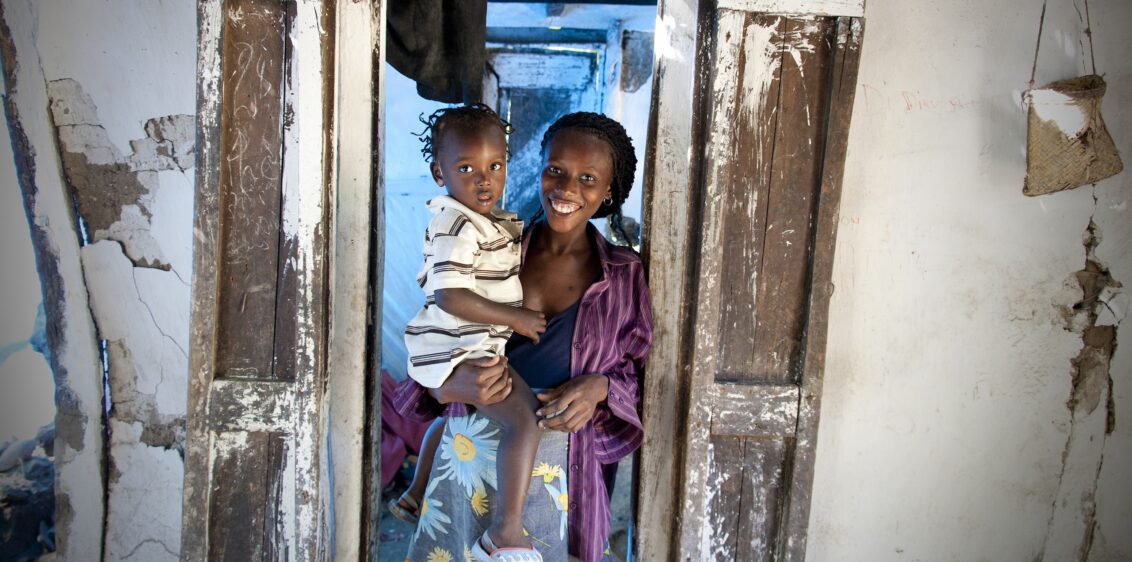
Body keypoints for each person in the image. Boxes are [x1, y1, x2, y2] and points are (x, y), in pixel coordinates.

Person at [395, 112, 653, 562]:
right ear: (539, 168)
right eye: (556, 170)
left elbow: (642, 373)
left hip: (567, 471)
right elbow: (436, 335)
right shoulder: (496, 247)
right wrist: (447, 386)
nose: (567, 189)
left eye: (588, 178)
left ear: (608, 189)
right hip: (471, 456)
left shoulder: (624, 274)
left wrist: (602, 387)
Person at [390, 103, 550, 560]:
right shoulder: (455, 223)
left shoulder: (485, 221)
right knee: (525, 421)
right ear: (439, 173)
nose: (485, 179)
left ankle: (416, 493)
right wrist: (514, 317)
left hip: (462, 345)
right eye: (467, 168)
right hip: (460, 348)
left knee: (455, 419)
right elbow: (450, 296)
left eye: (495, 165)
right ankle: (506, 533)